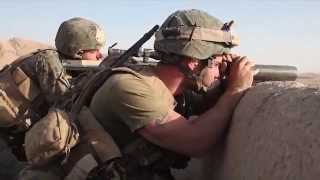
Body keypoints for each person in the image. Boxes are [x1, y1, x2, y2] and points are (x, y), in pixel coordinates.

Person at [88, 9, 254, 179]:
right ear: (193, 61)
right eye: (219, 63)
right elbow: (195, 141)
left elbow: (210, 108)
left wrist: (225, 84)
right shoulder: (129, 87)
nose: (221, 70)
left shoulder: (173, 89)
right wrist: (235, 90)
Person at [0, 17, 106, 180]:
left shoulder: (58, 61)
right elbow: (67, 102)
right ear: (78, 52)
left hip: (13, 134)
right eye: (95, 50)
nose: (100, 55)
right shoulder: (48, 61)